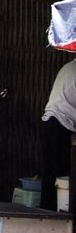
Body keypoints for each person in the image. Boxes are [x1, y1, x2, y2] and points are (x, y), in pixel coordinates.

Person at [41, 59, 76, 210]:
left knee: (53, 173)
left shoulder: (69, 66)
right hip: (59, 124)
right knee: (60, 175)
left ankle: (50, 211)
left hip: (53, 122)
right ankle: (53, 214)